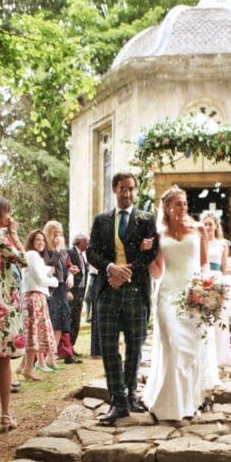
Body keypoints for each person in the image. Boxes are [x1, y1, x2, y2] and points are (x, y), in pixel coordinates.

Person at [87, 172, 158, 424]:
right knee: (108, 348)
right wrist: (110, 269)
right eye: (122, 188)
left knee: (135, 347)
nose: (127, 193)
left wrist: (124, 273)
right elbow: (91, 252)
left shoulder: (146, 219)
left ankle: (129, 396)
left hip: (136, 291)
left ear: (134, 190)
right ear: (114, 189)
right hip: (108, 291)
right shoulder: (101, 220)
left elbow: (151, 254)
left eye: (130, 189)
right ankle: (117, 401)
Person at [142, 186, 219, 420]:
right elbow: (157, 272)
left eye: (185, 203)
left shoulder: (198, 229)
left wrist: (207, 292)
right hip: (167, 295)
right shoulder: (159, 234)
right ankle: (170, 406)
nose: (183, 207)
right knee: (174, 347)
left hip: (193, 295)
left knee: (192, 351)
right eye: (177, 203)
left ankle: (190, 401)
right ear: (166, 207)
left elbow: (205, 265)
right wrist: (145, 254)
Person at [0, 195, 26, 430]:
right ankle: (5, 415)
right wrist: (14, 234)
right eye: (7, 212)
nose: (10, 217)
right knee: (3, 360)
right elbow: (22, 259)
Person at [20, 230, 60, 379]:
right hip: (34, 297)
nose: (41, 242)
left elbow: (38, 272)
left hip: (34, 297)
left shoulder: (33, 256)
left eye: (43, 240)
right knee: (34, 332)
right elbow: (39, 279)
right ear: (31, 241)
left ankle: (25, 367)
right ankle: (28, 369)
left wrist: (47, 270)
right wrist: (54, 281)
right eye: (38, 240)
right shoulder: (33, 255)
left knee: (34, 333)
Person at [43, 221, 79, 365]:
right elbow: (49, 267)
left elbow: (69, 266)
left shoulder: (64, 251)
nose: (58, 236)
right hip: (50, 290)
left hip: (62, 289)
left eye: (60, 233)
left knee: (62, 322)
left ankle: (51, 357)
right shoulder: (44, 250)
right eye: (55, 233)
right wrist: (57, 250)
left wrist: (71, 275)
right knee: (51, 322)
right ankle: (43, 357)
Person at [200, 211, 231, 366]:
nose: (207, 227)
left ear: (216, 226)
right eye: (205, 224)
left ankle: (220, 356)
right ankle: (206, 356)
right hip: (203, 281)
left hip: (218, 281)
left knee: (219, 319)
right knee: (204, 319)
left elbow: (225, 268)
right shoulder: (199, 243)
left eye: (210, 224)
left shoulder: (222, 245)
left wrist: (228, 281)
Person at [65, 233, 89, 351]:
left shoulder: (82, 255)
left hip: (80, 292)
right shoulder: (69, 252)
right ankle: (66, 349)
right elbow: (65, 270)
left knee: (76, 320)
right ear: (81, 242)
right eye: (87, 242)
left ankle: (71, 347)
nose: (88, 244)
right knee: (70, 320)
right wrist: (67, 290)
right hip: (72, 292)